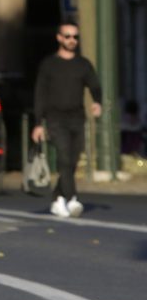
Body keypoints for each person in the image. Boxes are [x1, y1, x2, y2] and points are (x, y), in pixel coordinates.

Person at [31, 19, 102, 218]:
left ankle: (57, 198)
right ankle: (72, 199)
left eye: (75, 37)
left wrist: (97, 102)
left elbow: (95, 85)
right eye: (68, 36)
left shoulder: (83, 64)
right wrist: (37, 123)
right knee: (63, 157)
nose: (72, 40)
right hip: (55, 118)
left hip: (77, 118)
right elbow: (40, 94)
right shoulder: (49, 65)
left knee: (72, 160)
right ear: (59, 38)